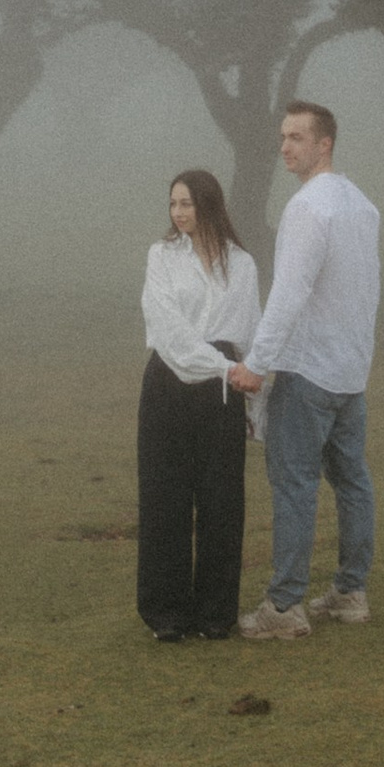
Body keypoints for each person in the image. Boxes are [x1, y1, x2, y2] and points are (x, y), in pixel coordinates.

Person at [228, 103, 378, 636]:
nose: (286, 146)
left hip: (309, 370)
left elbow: (290, 292)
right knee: (352, 480)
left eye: (297, 137)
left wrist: (258, 364)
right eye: (283, 137)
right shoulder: (361, 205)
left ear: (325, 144)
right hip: (348, 371)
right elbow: (363, 293)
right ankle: (349, 592)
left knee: (295, 484)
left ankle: (285, 606)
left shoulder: (309, 207)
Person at [136, 169, 260, 642]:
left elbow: (249, 336)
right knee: (164, 498)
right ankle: (166, 614)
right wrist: (223, 367)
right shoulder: (162, 257)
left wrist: (250, 395)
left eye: (187, 203)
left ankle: (215, 613)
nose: (179, 213)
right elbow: (167, 328)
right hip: (170, 382)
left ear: (209, 204)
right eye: (173, 204)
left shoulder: (242, 264)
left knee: (221, 501)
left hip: (225, 391)